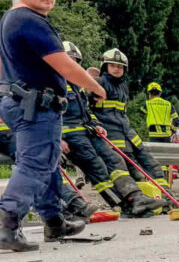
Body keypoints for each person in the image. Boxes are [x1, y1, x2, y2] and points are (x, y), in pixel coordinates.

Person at [0, 0, 104, 250]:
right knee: (36, 163)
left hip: (22, 102)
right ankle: (7, 225)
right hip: (34, 104)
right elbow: (64, 64)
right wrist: (95, 86)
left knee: (46, 162)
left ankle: (53, 222)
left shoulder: (10, 19)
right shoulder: (29, 20)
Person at [59, 42, 166, 217]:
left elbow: (86, 111)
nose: (72, 64)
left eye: (75, 61)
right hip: (70, 135)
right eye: (68, 59)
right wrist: (57, 137)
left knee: (115, 163)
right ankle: (121, 206)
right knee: (98, 171)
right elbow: (49, 115)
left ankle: (136, 199)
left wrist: (96, 124)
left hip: (89, 131)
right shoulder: (52, 84)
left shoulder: (76, 86)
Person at [92, 48, 170, 187]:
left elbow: (122, 111)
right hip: (109, 131)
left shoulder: (124, 86)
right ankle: (135, 198)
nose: (116, 69)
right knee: (128, 166)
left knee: (147, 158)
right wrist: (95, 124)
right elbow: (87, 108)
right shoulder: (99, 83)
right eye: (113, 65)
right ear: (105, 66)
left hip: (127, 130)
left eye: (120, 66)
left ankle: (164, 192)